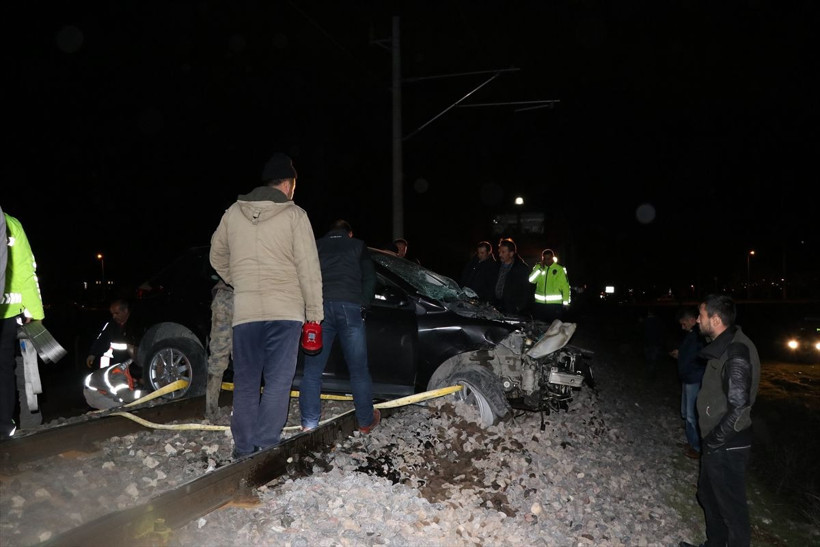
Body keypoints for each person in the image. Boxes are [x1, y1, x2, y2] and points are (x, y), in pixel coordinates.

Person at [209, 152, 323, 459]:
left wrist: (238, 279)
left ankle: (243, 448)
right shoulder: (294, 216)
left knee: (246, 382)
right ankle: (266, 444)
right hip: (285, 313)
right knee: (277, 382)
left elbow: (215, 255)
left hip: (245, 314)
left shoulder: (233, 213)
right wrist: (315, 315)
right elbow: (309, 270)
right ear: (287, 184)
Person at [680, 294, 760, 547]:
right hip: (717, 442)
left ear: (715, 320)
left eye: (701, 316)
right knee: (708, 496)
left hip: (727, 444)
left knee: (732, 510)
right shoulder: (723, 345)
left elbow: (739, 408)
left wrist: (713, 442)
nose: (697, 321)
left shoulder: (736, 351)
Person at [298, 219, 379, 433]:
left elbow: (304, 276)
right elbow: (370, 278)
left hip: (319, 310)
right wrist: (363, 302)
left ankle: (309, 423)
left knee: (312, 371)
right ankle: (365, 421)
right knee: (358, 370)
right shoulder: (358, 245)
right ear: (349, 233)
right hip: (349, 307)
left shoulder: (316, 245)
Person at [1, 212, 45, 438]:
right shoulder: (10, 223)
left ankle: (27, 424)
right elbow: (26, 270)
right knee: (6, 371)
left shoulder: (11, 224)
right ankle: (5, 427)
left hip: (11, 317)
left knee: (24, 375)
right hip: (8, 313)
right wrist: (35, 312)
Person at [669, 306, 706, 459]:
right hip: (687, 377)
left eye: (684, 323)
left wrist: (682, 356)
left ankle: (697, 448)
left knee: (692, 415)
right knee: (686, 413)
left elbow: (699, 357)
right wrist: (680, 354)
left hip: (694, 378)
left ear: (691, 320)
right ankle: (691, 443)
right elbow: (689, 354)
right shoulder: (692, 334)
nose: (682, 326)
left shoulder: (700, 336)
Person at [86, 298, 145, 382]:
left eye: (117, 313)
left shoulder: (137, 325)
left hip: (133, 366)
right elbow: (102, 338)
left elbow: (140, 350)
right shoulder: (112, 324)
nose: (114, 316)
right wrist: (93, 353)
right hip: (115, 364)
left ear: (125, 310)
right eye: (112, 313)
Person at [205, 278, 233, 419]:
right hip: (243, 295)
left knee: (217, 356)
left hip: (223, 293)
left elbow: (217, 258)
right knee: (245, 357)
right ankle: (244, 411)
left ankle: (211, 411)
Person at [528, 248, 571, 324]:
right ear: (542, 258)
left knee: (553, 328)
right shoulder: (538, 267)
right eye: (545, 259)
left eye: (549, 258)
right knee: (540, 327)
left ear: (552, 258)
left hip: (555, 305)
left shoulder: (559, 269)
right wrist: (540, 269)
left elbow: (565, 286)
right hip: (540, 305)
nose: (547, 261)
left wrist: (566, 303)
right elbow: (531, 280)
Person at [492, 238, 531, 316]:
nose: (500, 255)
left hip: (512, 310)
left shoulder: (521, 269)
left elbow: (526, 290)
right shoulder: (496, 266)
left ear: (511, 253)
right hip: (496, 307)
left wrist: (518, 307)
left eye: (503, 252)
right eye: (499, 251)